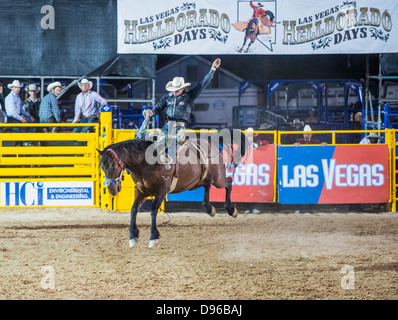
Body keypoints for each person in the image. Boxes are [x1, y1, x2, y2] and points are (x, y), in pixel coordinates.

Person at [143, 58, 222, 169]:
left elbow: (203, 84)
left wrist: (213, 69)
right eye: (174, 89)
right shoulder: (167, 97)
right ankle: (155, 159)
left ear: (183, 88)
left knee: (171, 140)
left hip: (179, 127)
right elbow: (158, 107)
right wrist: (151, 112)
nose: (175, 91)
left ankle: (169, 164)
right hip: (167, 126)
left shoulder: (189, 96)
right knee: (152, 137)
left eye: (177, 89)